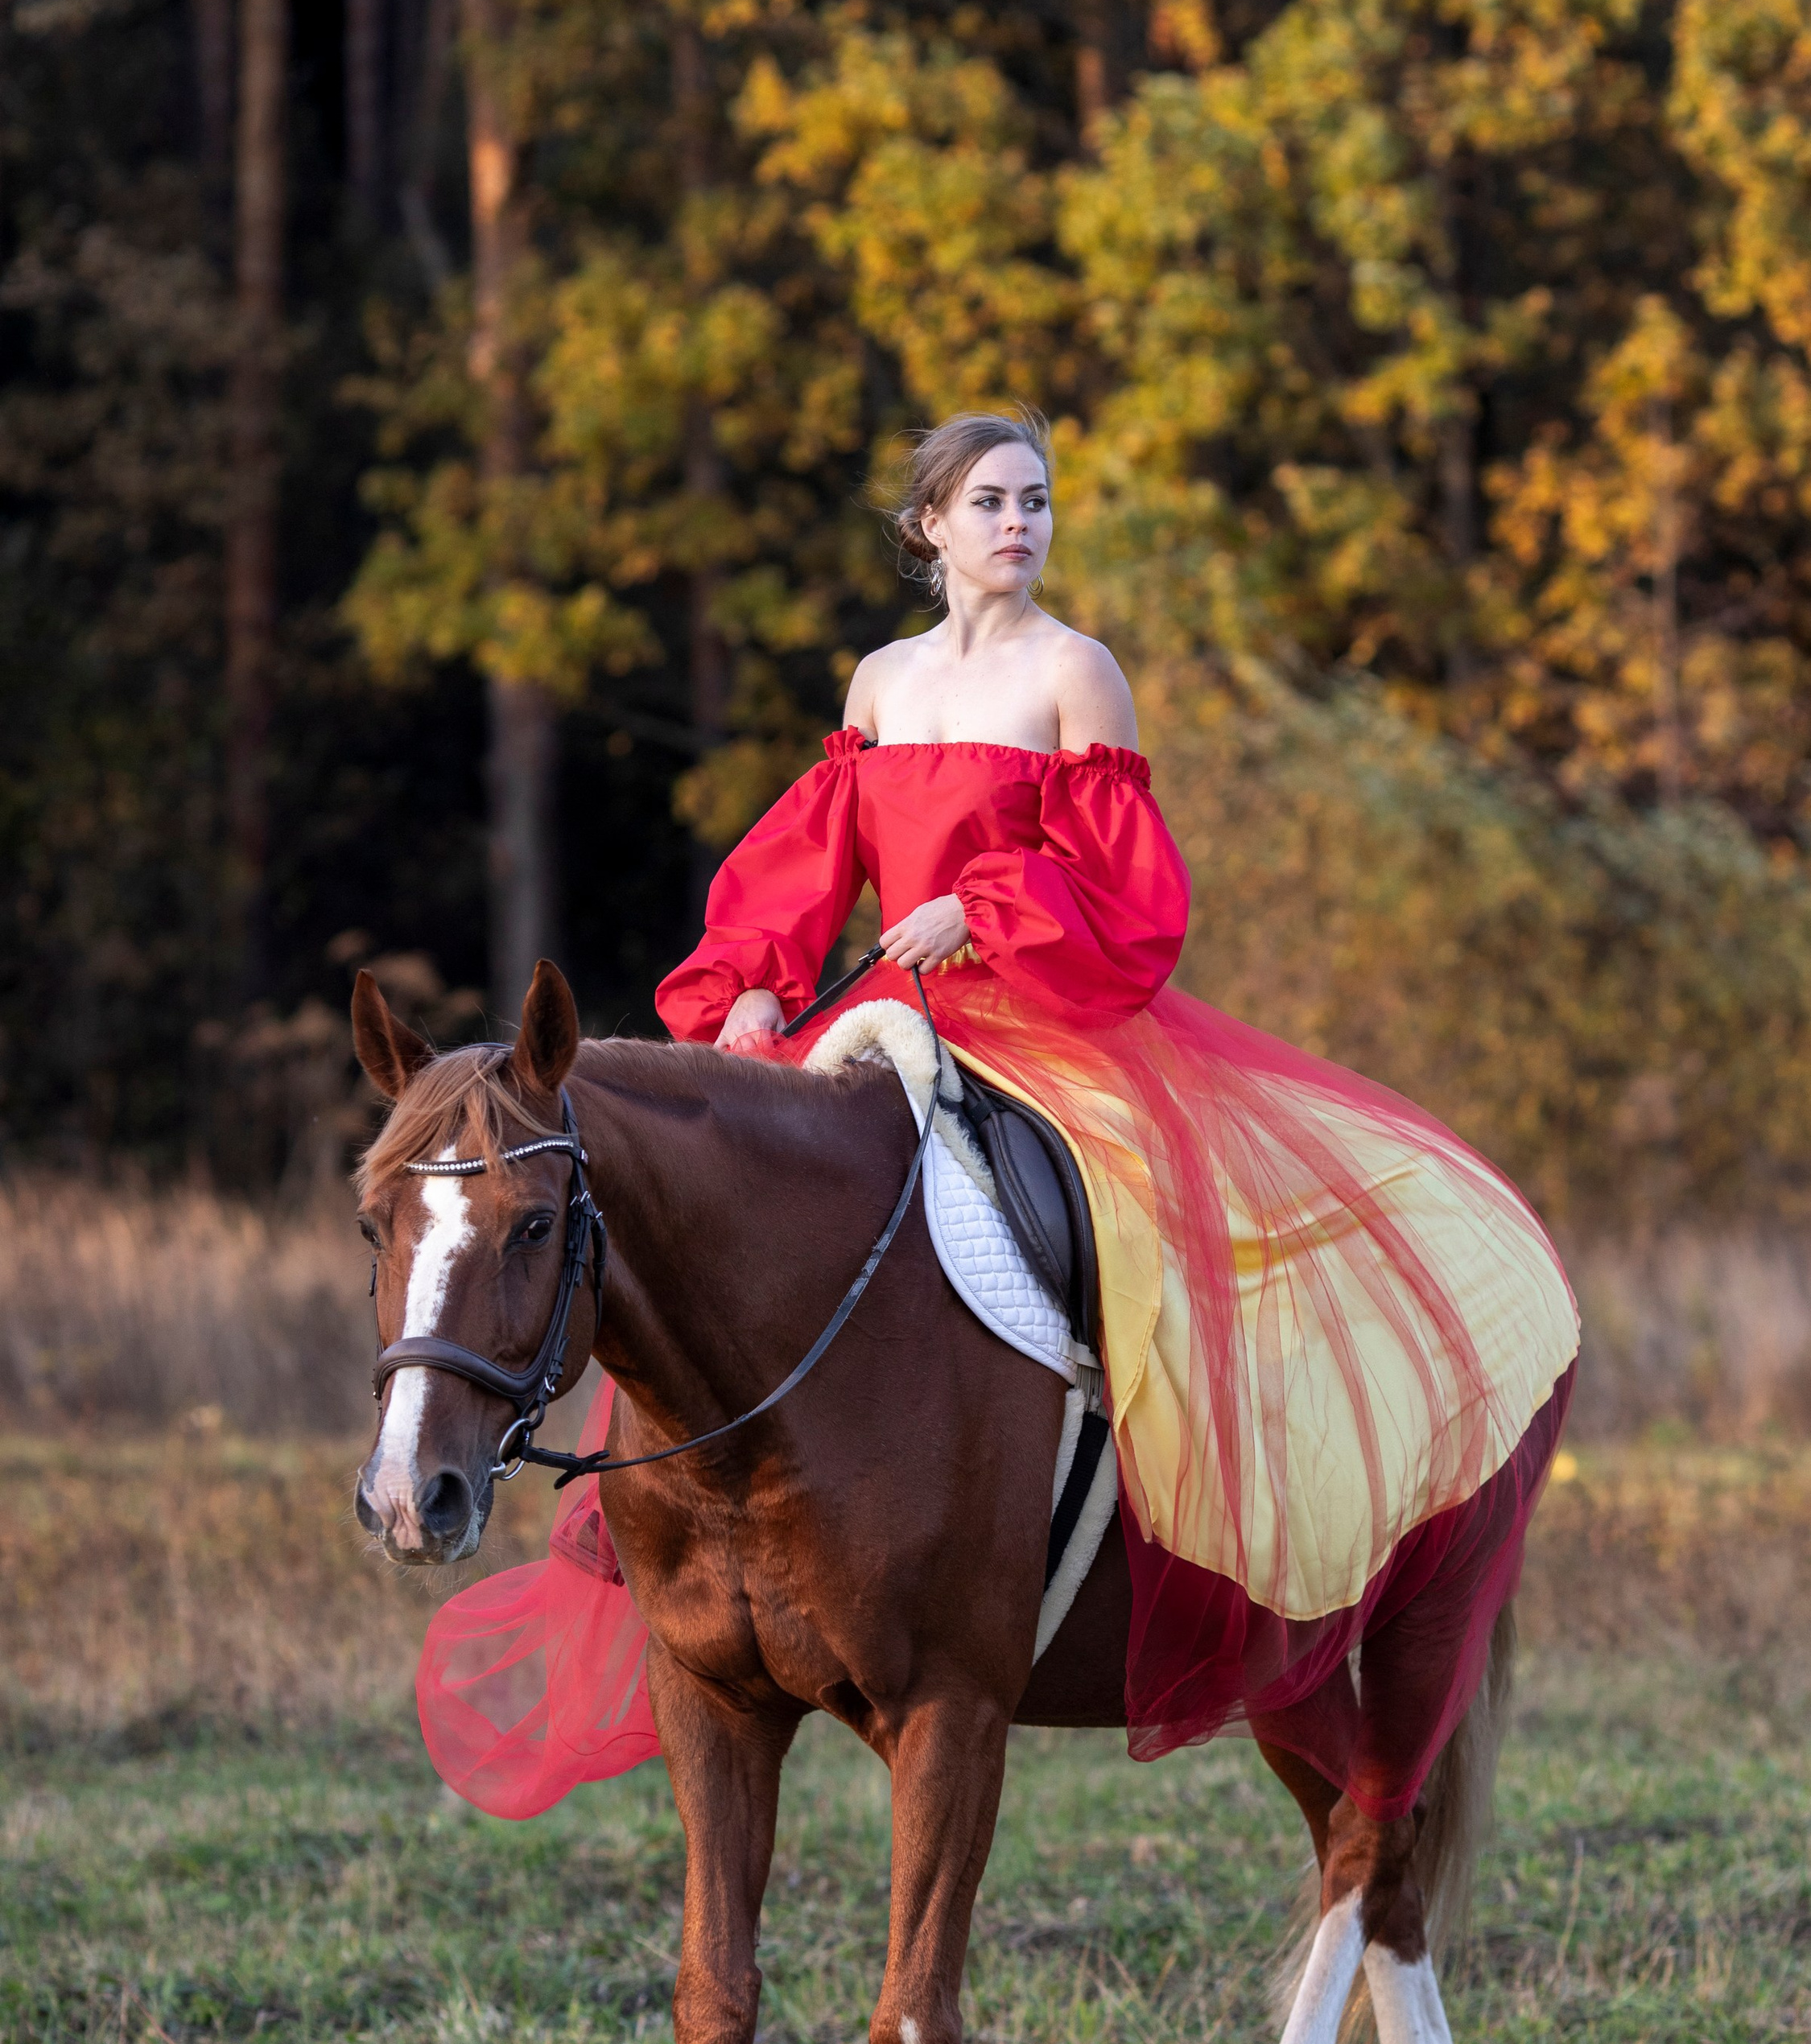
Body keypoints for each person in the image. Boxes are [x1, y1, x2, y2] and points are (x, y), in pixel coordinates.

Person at [421, 409, 1578, 1819]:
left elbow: (1135, 902)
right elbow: (804, 861)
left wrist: (980, 911)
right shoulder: (884, 682)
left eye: (1035, 501)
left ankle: (1118, 1487)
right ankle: (645, 1511)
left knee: (1115, 1223)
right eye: (988, 503)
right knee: (707, 1229)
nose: (1019, 525)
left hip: (1048, 1025)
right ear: (930, 528)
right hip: (878, 1026)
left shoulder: (1078, 674)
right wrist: (748, 988)